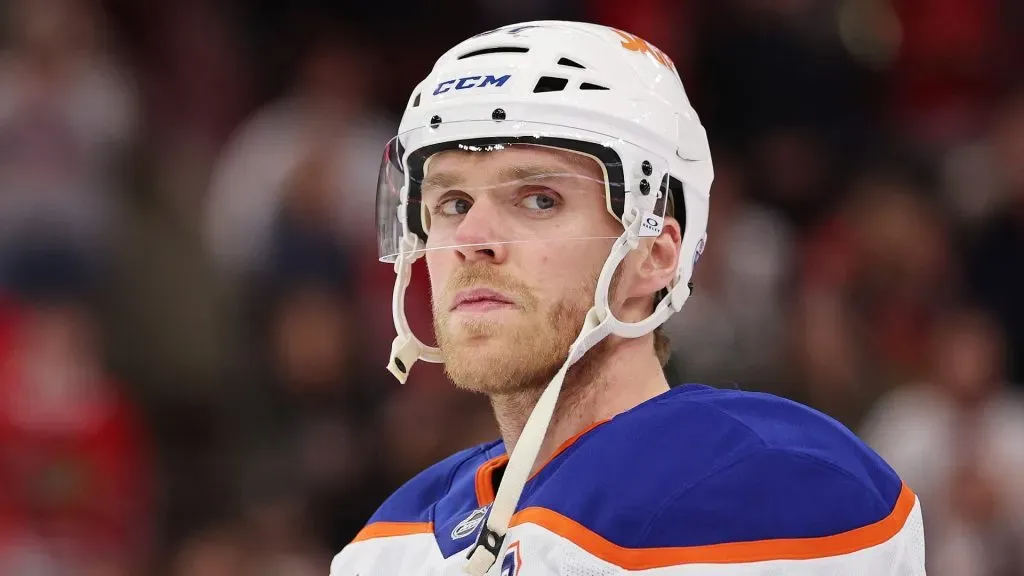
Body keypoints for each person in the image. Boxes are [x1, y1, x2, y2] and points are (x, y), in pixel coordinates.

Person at [331, 21, 926, 576]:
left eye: (538, 199)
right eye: (453, 204)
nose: (472, 241)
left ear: (654, 256)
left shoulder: (764, 483)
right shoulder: (391, 543)